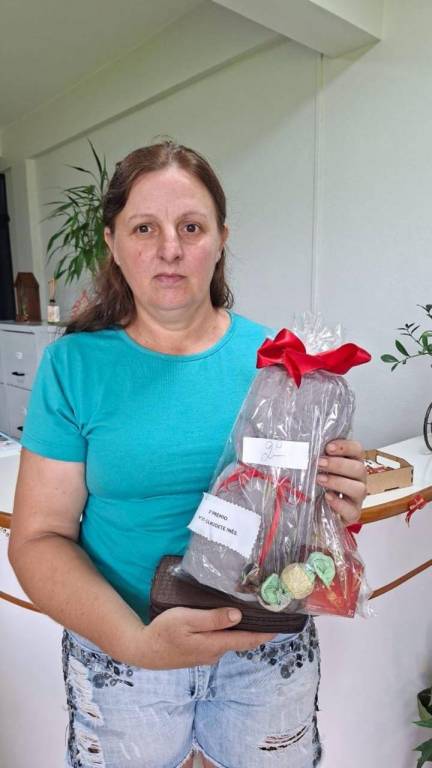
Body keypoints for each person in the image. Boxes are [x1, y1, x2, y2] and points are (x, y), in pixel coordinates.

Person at [9, 141, 367, 768]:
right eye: (144, 228)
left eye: (192, 227)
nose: (169, 249)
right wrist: (136, 644)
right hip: (124, 658)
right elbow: (38, 539)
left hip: (265, 654)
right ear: (113, 242)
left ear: (221, 239)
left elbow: (304, 520)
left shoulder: (284, 364)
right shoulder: (73, 366)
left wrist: (336, 505)